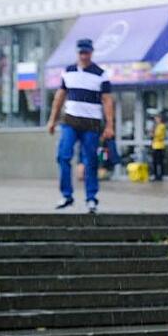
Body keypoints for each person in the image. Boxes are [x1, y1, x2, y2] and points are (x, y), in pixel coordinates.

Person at [47, 38, 114, 213]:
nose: (84, 56)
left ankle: (91, 198)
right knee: (63, 156)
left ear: (91, 53)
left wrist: (109, 126)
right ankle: (67, 196)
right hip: (70, 122)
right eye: (81, 52)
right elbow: (59, 97)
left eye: (87, 52)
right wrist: (52, 120)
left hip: (91, 124)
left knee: (90, 160)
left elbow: (107, 101)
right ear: (77, 53)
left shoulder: (100, 74)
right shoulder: (68, 72)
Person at [151, 112, 167, 181]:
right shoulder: (155, 126)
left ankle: (160, 176)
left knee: (159, 162)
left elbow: (158, 135)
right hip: (154, 146)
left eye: (157, 118)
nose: (156, 120)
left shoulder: (162, 126)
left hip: (160, 146)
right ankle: (155, 175)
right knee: (154, 162)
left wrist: (153, 133)